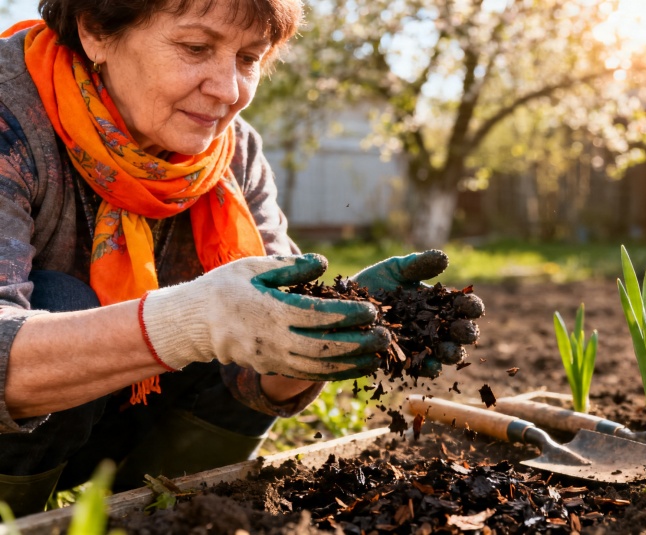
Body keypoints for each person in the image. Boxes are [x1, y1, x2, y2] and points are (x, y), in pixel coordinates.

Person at [0, 0, 482, 516]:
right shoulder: (12, 117)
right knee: (66, 302)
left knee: (248, 302)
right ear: (96, 30)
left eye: (248, 58)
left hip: (120, 431)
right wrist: (192, 321)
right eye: (195, 48)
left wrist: (328, 331)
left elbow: (254, 378)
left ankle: (161, 517)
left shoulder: (230, 156)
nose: (228, 91)